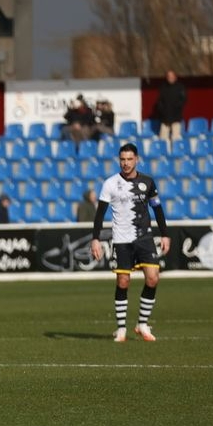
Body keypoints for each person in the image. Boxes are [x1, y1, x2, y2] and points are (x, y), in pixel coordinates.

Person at [90, 142, 170, 343]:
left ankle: (142, 324)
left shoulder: (148, 182)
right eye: (122, 160)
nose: (125, 163)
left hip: (145, 238)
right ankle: (121, 328)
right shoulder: (110, 184)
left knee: (153, 279)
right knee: (123, 281)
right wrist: (95, 239)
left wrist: (165, 234)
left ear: (137, 159)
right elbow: (99, 214)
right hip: (122, 240)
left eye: (129, 159)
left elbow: (157, 209)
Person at [153, 70, 187, 143]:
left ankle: (175, 153)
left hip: (176, 117)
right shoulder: (163, 87)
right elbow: (160, 101)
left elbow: (183, 100)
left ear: (175, 77)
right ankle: (163, 153)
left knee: (176, 139)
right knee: (162, 139)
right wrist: (162, 111)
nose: (170, 78)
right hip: (165, 118)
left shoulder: (180, 87)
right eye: (168, 76)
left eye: (172, 76)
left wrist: (176, 108)